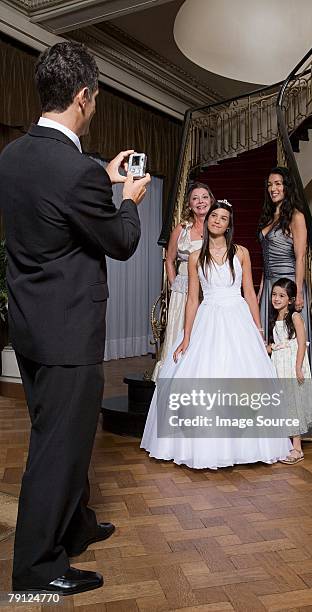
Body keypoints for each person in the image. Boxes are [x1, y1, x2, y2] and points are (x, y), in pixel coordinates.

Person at [0, 42, 150, 595]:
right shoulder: (77, 173)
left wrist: (99, 177)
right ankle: (36, 568)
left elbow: (55, 213)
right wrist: (129, 197)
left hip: (32, 329)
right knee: (57, 446)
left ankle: (77, 526)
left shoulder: (13, 156)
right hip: (69, 335)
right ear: (84, 98)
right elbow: (121, 241)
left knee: (61, 432)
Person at [141, 201, 293, 469]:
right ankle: (204, 445)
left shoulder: (242, 253)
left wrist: (258, 331)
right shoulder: (195, 256)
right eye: (214, 216)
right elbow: (191, 300)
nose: (217, 221)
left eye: (223, 218)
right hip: (208, 316)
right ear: (208, 219)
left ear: (228, 224)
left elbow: (248, 293)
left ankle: (245, 445)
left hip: (237, 318)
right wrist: (186, 337)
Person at [151, 182, 215, 381]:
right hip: (183, 290)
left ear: (211, 201)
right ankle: (174, 379)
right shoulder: (181, 229)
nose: (200, 202)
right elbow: (169, 260)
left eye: (204, 197)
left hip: (207, 291)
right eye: (195, 198)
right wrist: (174, 285)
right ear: (189, 204)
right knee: (179, 334)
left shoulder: (217, 226)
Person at [257, 167, 310, 346]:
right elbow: (266, 259)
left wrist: (299, 293)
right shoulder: (269, 216)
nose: (273, 188)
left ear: (287, 187)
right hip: (270, 285)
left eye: (278, 184)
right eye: (270, 185)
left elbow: (300, 257)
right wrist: (261, 291)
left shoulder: (296, 216)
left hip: (288, 284)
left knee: (288, 341)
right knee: (268, 340)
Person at [266, 278, 312, 464]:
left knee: (294, 402)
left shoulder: (294, 317)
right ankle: (285, 443)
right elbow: (279, 345)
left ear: (291, 299)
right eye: (274, 295)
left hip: (292, 364)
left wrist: (298, 367)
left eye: (281, 295)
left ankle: (297, 447)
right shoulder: (275, 318)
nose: (276, 299)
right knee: (284, 402)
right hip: (279, 364)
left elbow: (301, 342)